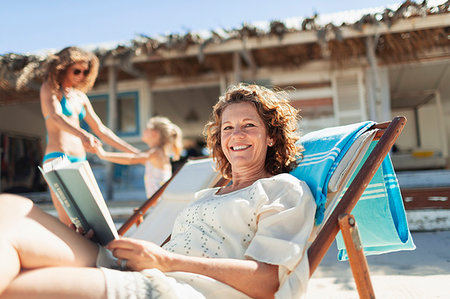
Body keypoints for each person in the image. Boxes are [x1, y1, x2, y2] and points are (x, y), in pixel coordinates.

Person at [0, 84, 316, 299]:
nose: (237, 135)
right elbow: (168, 250)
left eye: (249, 125)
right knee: (11, 207)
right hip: (144, 270)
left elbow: (268, 282)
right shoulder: (205, 195)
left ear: (272, 136)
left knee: (18, 286)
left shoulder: (283, 189)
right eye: (228, 128)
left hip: (180, 291)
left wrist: (166, 262)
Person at [40, 46, 140, 225]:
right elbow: (55, 117)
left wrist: (134, 151)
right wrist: (84, 135)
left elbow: (101, 130)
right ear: (62, 68)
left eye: (85, 72)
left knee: (94, 219)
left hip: (80, 160)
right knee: (70, 222)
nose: (81, 76)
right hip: (57, 157)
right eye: (76, 71)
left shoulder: (80, 97)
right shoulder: (50, 88)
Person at [95, 116, 183, 199]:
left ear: (154, 134)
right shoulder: (157, 152)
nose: (143, 131)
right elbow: (134, 153)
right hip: (160, 203)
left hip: (161, 204)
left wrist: (104, 154)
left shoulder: (156, 152)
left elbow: (133, 159)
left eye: (147, 129)